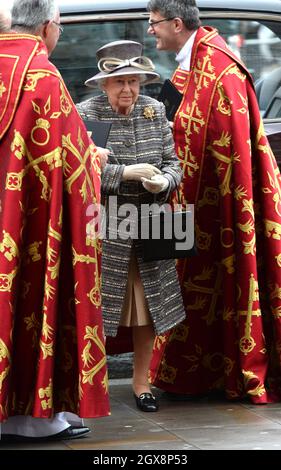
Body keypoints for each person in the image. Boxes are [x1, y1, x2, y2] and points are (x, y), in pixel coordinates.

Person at [147, 0, 281, 404]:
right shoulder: (195, 61)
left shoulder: (220, 67)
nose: (150, 30)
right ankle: (196, 371)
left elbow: (229, 146)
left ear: (175, 23)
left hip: (217, 203)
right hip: (189, 200)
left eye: (153, 23)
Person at [0, 0, 110, 442]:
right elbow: (73, 162)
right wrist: (97, 159)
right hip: (34, 222)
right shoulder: (43, 75)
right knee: (33, 303)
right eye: (60, 26)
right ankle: (33, 418)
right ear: (48, 27)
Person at [76, 40, 186, 412]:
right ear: (104, 84)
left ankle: (142, 384)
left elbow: (174, 163)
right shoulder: (85, 113)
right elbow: (76, 169)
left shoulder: (155, 110)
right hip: (106, 224)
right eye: (120, 82)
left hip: (152, 222)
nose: (128, 90)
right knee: (98, 306)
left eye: (135, 82)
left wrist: (164, 182)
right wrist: (123, 173)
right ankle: (89, 384)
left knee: (148, 307)